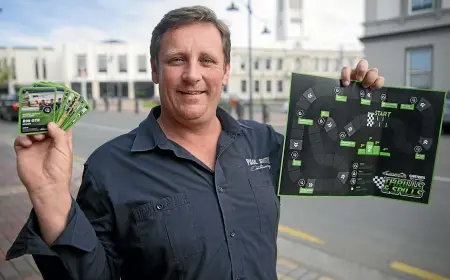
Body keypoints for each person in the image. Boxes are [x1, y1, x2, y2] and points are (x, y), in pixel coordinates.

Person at [6, 5, 385, 280]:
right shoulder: (109, 167)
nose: (192, 75)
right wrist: (50, 195)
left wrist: (355, 107)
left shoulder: (264, 143)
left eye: (207, 59)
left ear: (225, 70)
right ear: (155, 70)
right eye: (176, 60)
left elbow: (354, 163)